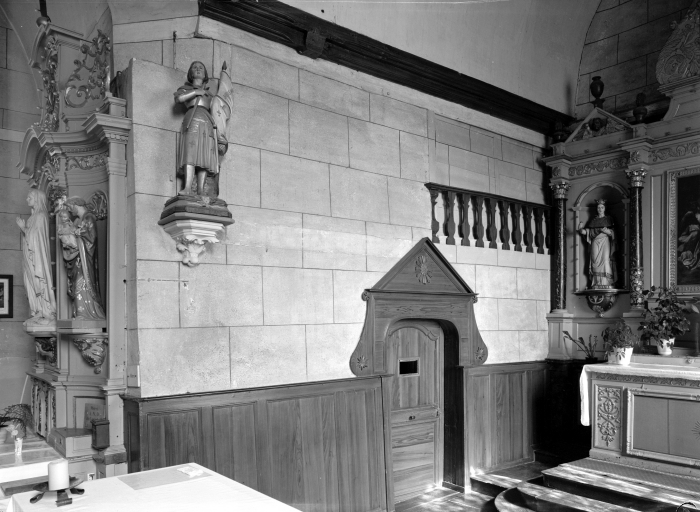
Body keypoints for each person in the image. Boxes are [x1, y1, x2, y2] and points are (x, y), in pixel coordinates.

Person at [174, 61, 224, 196]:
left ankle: (201, 189)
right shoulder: (185, 88)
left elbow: (217, 111)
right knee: (190, 153)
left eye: (201, 67)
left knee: (204, 156)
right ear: (190, 73)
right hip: (192, 119)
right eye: (195, 67)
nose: (198, 69)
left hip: (207, 122)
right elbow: (179, 99)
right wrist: (196, 92)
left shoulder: (210, 95)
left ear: (205, 74)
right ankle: (187, 187)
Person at [15, 189, 56, 325]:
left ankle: (46, 312)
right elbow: (30, 237)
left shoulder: (41, 216)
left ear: (37, 199)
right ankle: (38, 310)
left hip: (37, 257)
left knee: (38, 281)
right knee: (31, 282)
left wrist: (23, 228)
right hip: (29, 255)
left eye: (30, 197)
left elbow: (35, 237)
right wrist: (24, 229)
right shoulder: (33, 217)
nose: (27, 199)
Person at [61, 197, 105, 320]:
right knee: (76, 284)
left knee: (82, 283)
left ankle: (87, 313)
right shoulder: (79, 220)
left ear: (76, 204)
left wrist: (78, 233)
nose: (70, 210)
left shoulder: (89, 218)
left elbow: (92, 238)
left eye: (70, 207)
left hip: (85, 260)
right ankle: (79, 312)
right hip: (78, 259)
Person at [578, 200, 617, 289]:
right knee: (595, 261)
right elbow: (588, 232)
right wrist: (581, 230)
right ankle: (596, 282)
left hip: (605, 240)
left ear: (604, 208)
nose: (600, 209)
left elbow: (613, 232)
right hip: (595, 241)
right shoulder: (594, 220)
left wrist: (608, 231)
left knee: (605, 260)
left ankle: (607, 282)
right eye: (598, 207)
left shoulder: (608, 219)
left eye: (602, 207)